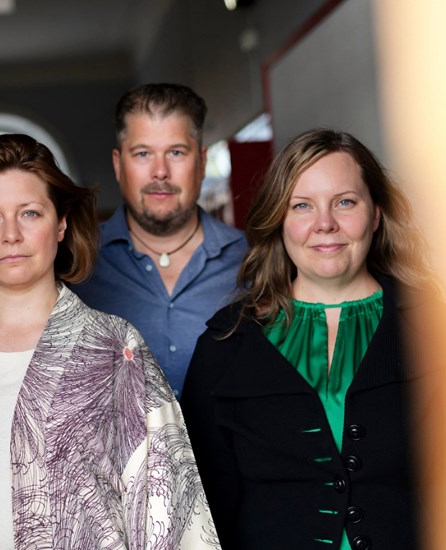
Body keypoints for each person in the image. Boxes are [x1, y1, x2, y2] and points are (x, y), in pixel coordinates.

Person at [0, 134, 221, 550]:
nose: (11, 234)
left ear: (61, 224)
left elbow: (171, 510)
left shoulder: (116, 349)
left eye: (30, 213)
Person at [181, 128, 445, 549]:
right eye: (302, 205)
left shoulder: (434, 329)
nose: (325, 224)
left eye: (345, 202)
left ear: (376, 214)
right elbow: (204, 512)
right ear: (279, 220)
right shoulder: (224, 345)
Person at [70, 83, 247, 399]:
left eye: (176, 152)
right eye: (143, 154)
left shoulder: (253, 261)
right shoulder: (75, 264)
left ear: (202, 162)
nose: (160, 172)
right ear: (118, 165)